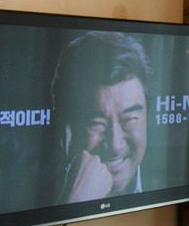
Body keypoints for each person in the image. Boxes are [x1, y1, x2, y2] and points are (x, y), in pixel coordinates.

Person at [50, 31, 151, 204]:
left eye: (129, 119)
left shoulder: (173, 183)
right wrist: (74, 203)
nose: (115, 146)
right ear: (62, 125)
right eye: (96, 124)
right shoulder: (28, 192)